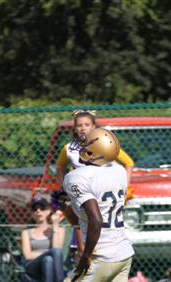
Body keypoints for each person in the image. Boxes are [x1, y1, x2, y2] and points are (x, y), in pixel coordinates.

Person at [57, 127, 162, 282]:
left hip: (102, 254)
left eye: (87, 145)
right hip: (122, 251)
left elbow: (96, 219)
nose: (82, 148)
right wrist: (72, 211)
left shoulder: (76, 177)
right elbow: (89, 213)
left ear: (95, 150)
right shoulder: (118, 172)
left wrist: (86, 255)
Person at [56, 110, 135, 258]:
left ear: (94, 127)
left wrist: (125, 187)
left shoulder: (103, 145)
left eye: (87, 124)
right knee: (81, 226)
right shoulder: (69, 148)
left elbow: (129, 163)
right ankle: (83, 255)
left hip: (100, 192)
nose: (83, 128)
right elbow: (60, 167)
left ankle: (101, 256)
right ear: (74, 128)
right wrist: (63, 187)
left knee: (100, 226)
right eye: (79, 125)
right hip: (83, 193)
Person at [21, 197, 66, 282]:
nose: (38, 211)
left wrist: (55, 226)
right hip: (32, 265)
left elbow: (58, 248)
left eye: (42, 208)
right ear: (32, 214)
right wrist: (47, 252)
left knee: (48, 260)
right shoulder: (26, 232)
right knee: (52, 254)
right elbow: (28, 255)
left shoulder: (59, 230)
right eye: (35, 209)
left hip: (50, 264)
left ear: (49, 211)